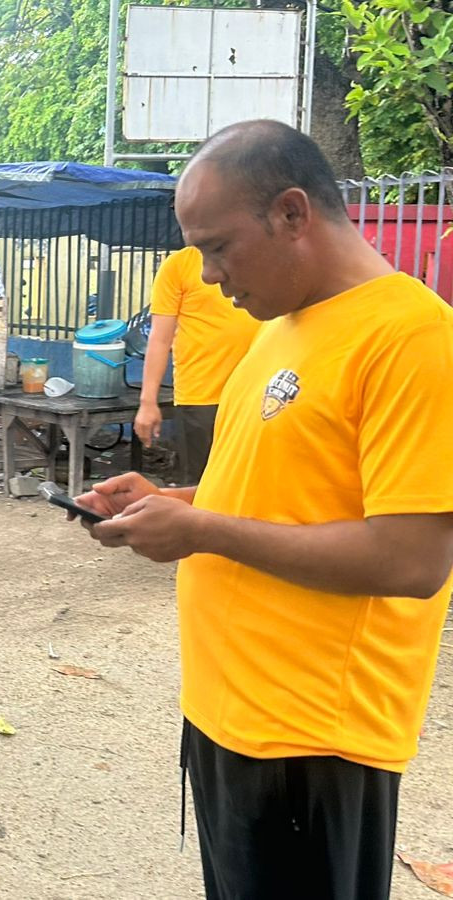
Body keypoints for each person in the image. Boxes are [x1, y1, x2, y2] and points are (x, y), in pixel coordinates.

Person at [75, 120, 453, 900]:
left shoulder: (413, 338)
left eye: (218, 248)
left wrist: (201, 529)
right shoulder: (281, 327)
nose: (210, 277)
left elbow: (414, 559)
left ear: (291, 213)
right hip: (231, 715)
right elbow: (272, 490)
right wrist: (167, 502)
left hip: (314, 741)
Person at [133, 245, 259, 484]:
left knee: (250, 483)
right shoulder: (179, 266)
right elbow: (160, 339)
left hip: (257, 395)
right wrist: (148, 402)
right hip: (202, 396)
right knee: (200, 485)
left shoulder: (264, 257)